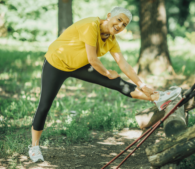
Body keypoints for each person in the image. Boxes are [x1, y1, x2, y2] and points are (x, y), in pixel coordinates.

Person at [28, 6, 181, 163]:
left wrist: (142, 85)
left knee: (118, 83)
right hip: (56, 63)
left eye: (124, 24)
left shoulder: (111, 41)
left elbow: (124, 65)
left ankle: (158, 98)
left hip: (79, 65)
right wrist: (107, 73)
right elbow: (93, 59)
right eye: (119, 20)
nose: (120, 26)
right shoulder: (91, 25)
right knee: (45, 105)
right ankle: (34, 147)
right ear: (109, 16)